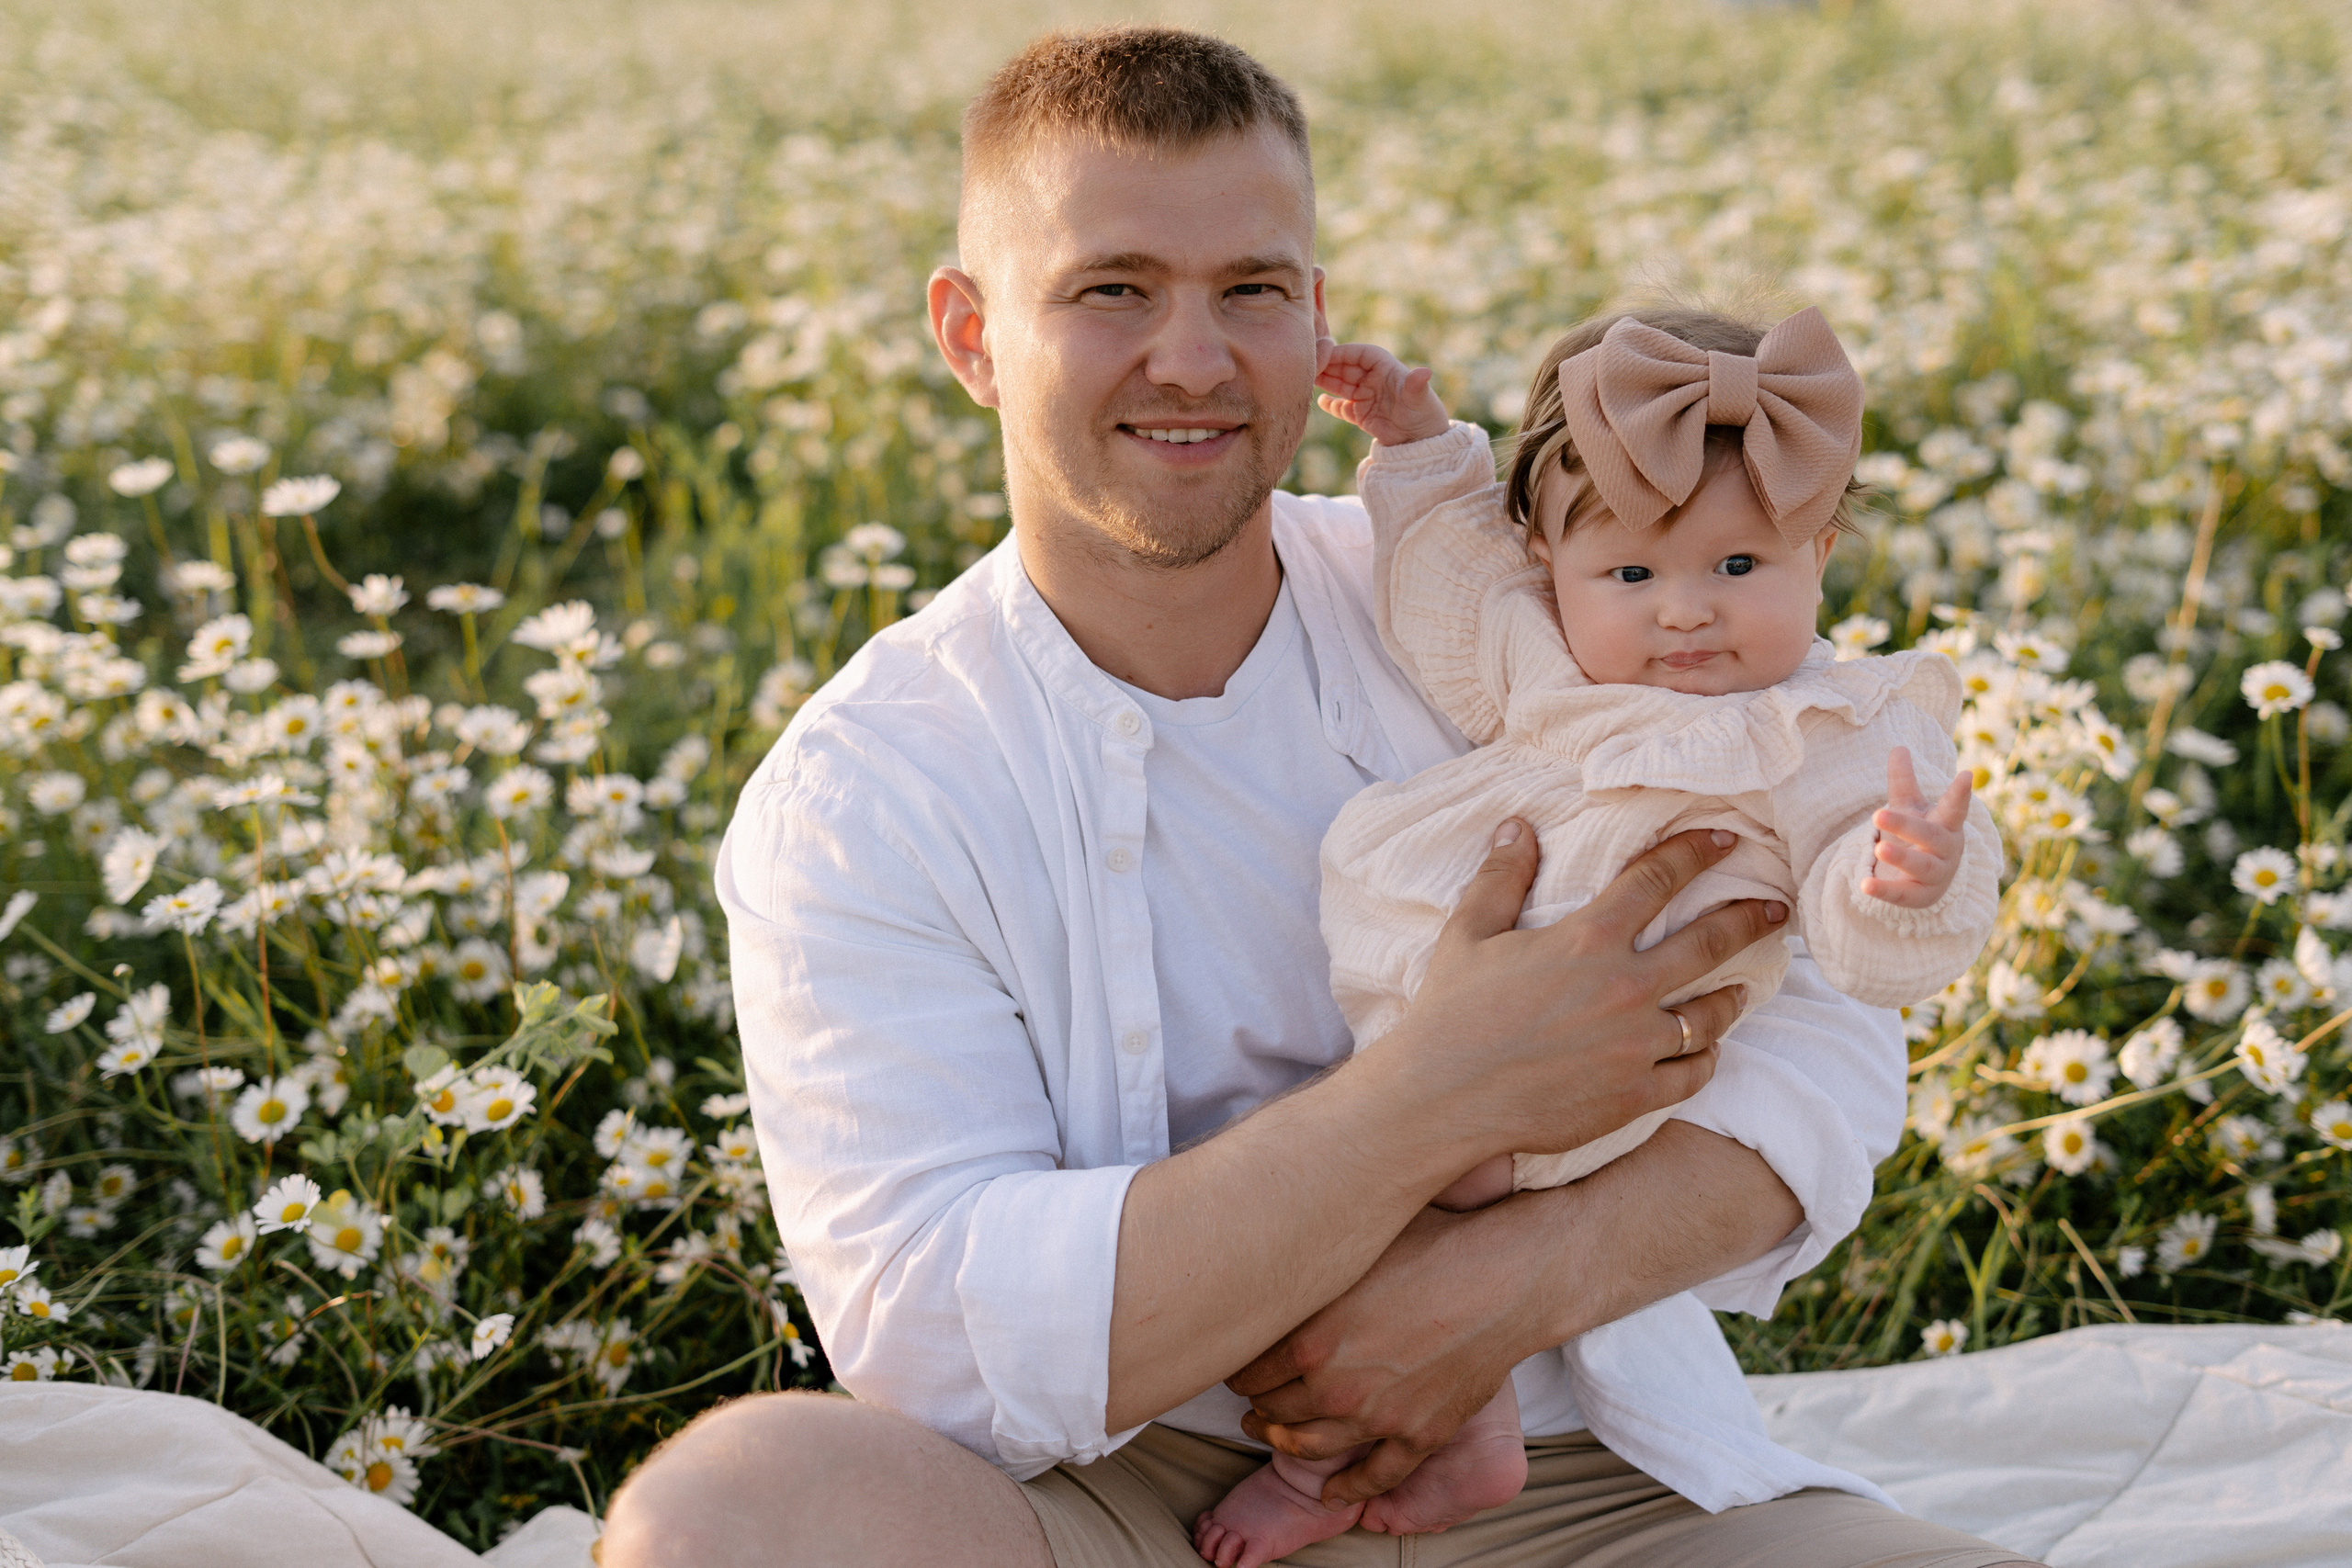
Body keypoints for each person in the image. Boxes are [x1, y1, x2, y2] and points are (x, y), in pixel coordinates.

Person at [602, 26, 2041, 1568]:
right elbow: (931, 1330)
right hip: (1124, 1500)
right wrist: (1440, 1094)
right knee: (726, 1517)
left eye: (1252, 290)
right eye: (1112, 290)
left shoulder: (1504, 609)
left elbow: (1826, 1032)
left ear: (1317, 316)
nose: (1193, 359)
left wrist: (1508, 1286)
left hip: (1571, 1478)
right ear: (972, 336)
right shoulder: (868, 787)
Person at [1193, 310, 2002, 1568]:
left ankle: (1326, 1468)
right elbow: (1447, 584)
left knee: (1393, 1206)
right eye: (1631, 575)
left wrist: (1897, 876)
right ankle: (1472, 1421)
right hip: (1435, 1009)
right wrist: (1414, 442)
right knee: (1340, 1185)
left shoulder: (1829, 723)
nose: (1686, 613)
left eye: (1740, 566)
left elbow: (1858, 855)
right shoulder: (1549, 659)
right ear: (1552, 563)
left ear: (1823, 553)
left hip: (1600, 1053)